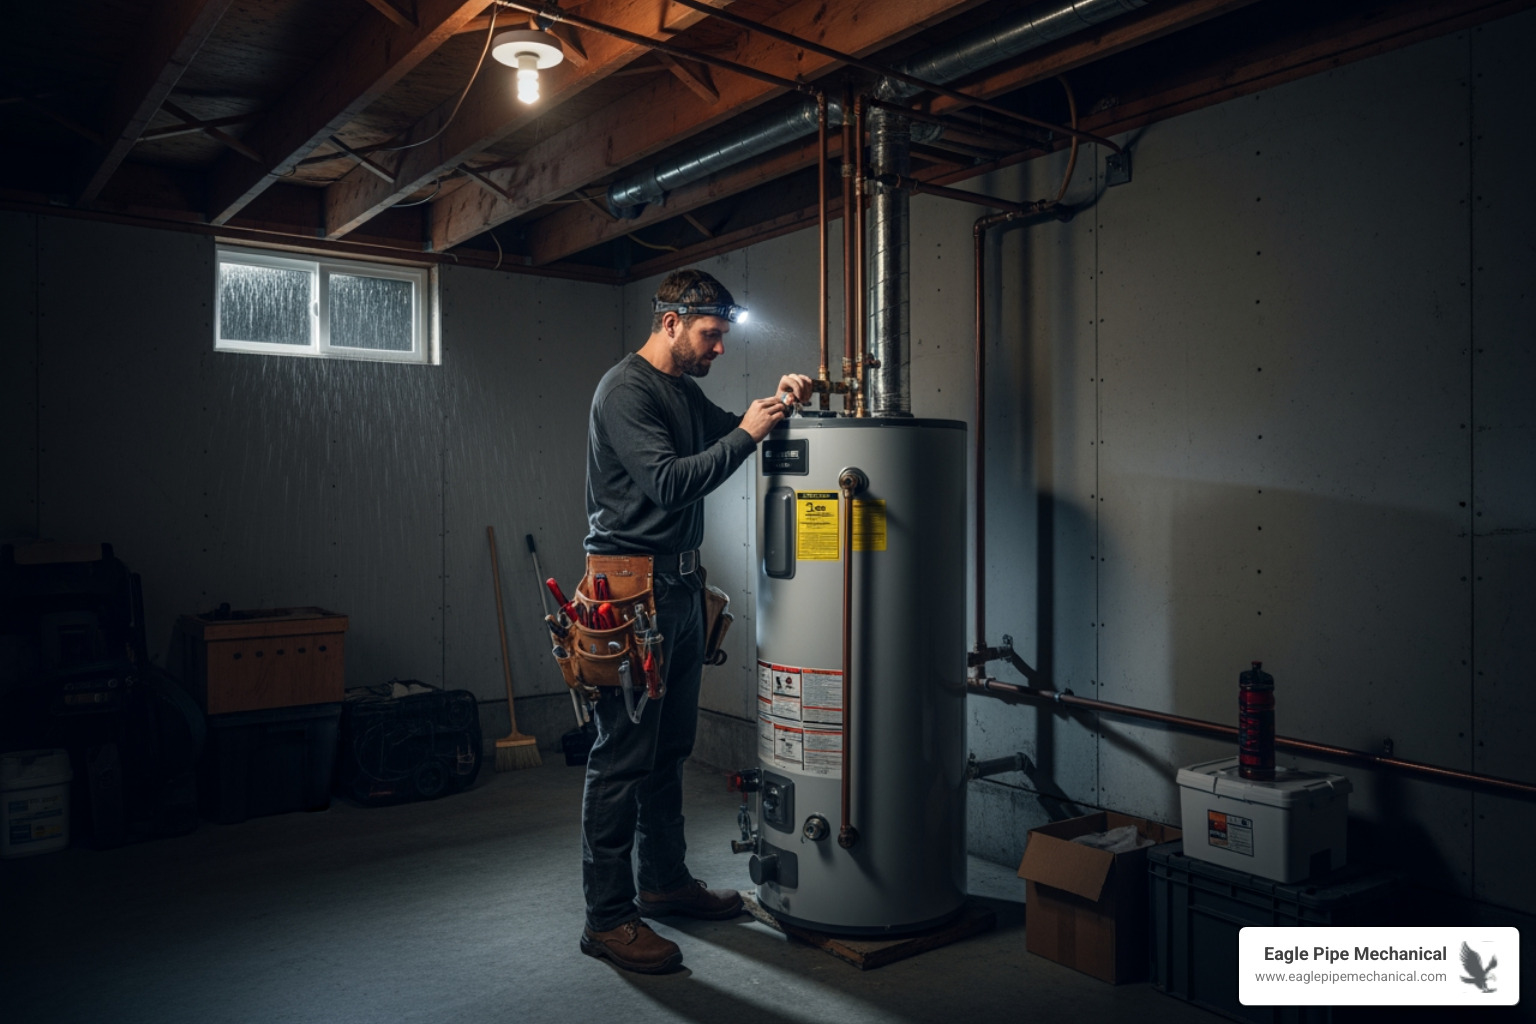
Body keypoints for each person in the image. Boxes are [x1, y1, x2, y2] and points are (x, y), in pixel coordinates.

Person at [578, 268, 812, 973]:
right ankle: (607, 919)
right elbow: (672, 481)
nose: (718, 348)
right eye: (710, 335)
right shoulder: (625, 391)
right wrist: (746, 431)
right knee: (621, 758)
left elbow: (728, 431)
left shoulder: (680, 388)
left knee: (669, 748)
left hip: (678, 588)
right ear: (671, 322)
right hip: (630, 591)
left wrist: (780, 404)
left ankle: (663, 881)